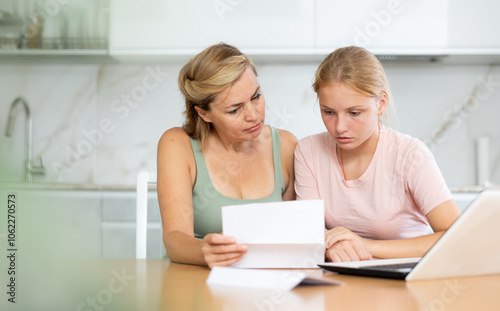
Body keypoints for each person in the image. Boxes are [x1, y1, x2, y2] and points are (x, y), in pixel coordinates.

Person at [294, 46, 461, 262]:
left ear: (381, 104)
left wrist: (365, 246)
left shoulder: (410, 155)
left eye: (354, 113)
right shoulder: (308, 151)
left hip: (405, 279)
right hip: (340, 279)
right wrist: (329, 247)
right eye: (329, 112)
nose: (340, 127)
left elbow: (455, 236)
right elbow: (309, 234)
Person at [157, 43, 297, 268]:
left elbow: (295, 233)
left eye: (256, 96)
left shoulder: (286, 145)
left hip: (265, 284)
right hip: (193, 281)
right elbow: (174, 238)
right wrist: (206, 252)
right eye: (234, 110)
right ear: (204, 113)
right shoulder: (178, 144)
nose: (253, 115)